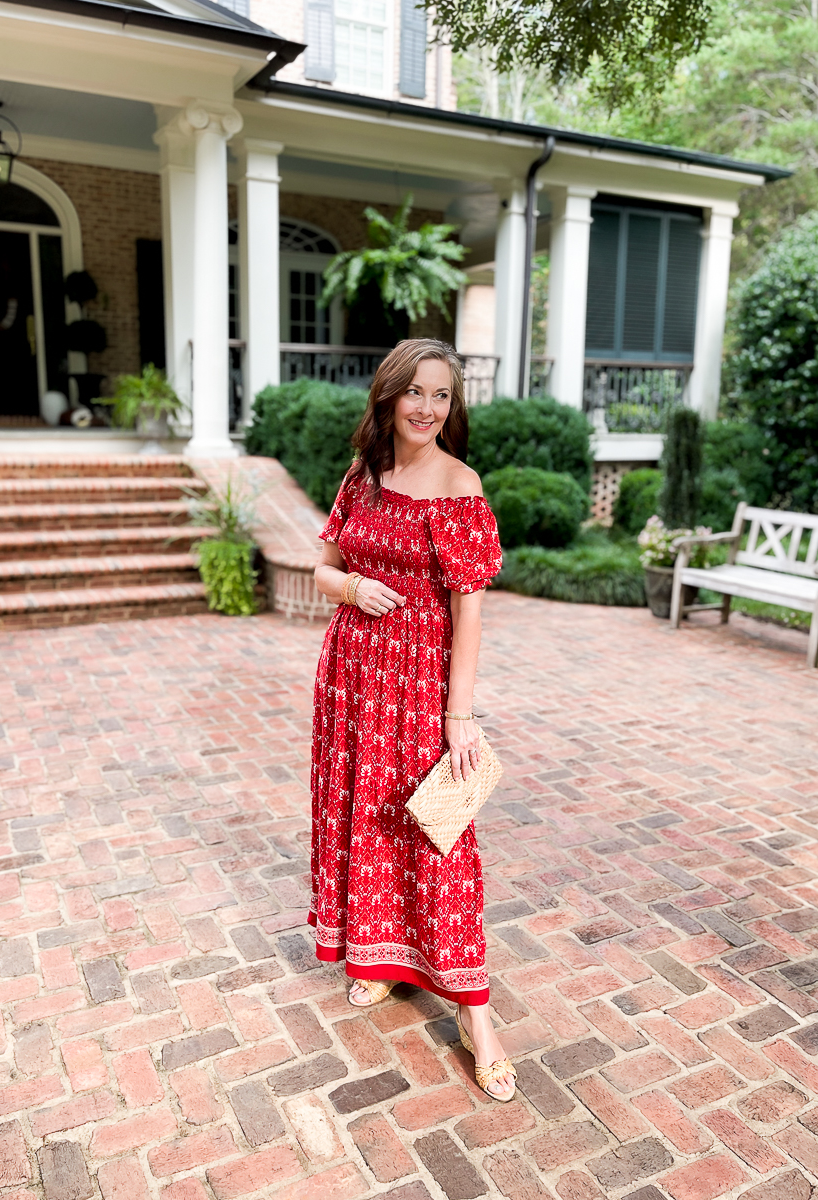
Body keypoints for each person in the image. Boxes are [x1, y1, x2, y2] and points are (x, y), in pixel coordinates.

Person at [310, 338, 516, 1102]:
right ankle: (382, 961)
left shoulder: (460, 486)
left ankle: (476, 1015)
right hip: (351, 680)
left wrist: (459, 714)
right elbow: (322, 567)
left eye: (442, 396)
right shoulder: (362, 477)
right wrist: (352, 589)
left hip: (420, 687)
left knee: (439, 836)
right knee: (364, 821)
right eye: (416, 393)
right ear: (389, 397)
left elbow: (471, 613)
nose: (429, 408)